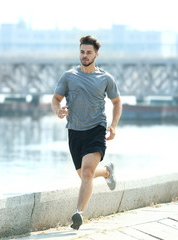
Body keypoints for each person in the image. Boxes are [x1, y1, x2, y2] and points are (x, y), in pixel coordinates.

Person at [51, 35, 122, 230]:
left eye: (89, 52)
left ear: (96, 55)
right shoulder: (68, 76)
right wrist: (58, 110)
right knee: (84, 174)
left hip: (96, 129)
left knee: (88, 172)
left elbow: (117, 102)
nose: (84, 55)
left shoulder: (105, 78)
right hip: (75, 131)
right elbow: (55, 99)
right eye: (82, 52)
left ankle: (78, 214)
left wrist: (113, 125)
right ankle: (108, 171)